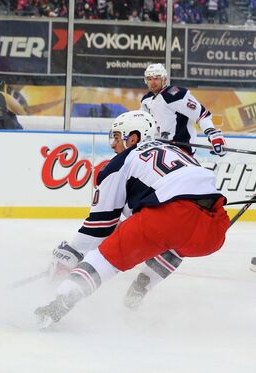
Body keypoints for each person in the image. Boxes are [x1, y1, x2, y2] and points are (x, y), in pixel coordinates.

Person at [35, 110, 230, 328]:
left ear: (134, 138)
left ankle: (58, 304)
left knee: (105, 258)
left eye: (117, 137)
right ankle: (139, 289)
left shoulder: (121, 162)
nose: (113, 144)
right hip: (214, 228)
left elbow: (100, 225)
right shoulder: (178, 151)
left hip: (167, 218)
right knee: (174, 241)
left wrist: (71, 253)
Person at [140, 63, 226, 156]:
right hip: (157, 148)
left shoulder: (175, 94)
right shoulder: (146, 100)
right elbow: (144, 123)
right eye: (149, 79)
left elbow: (201, 114)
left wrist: (212, 134)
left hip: (179, 148)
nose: (153, 82)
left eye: (156, 78)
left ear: (164, 79)